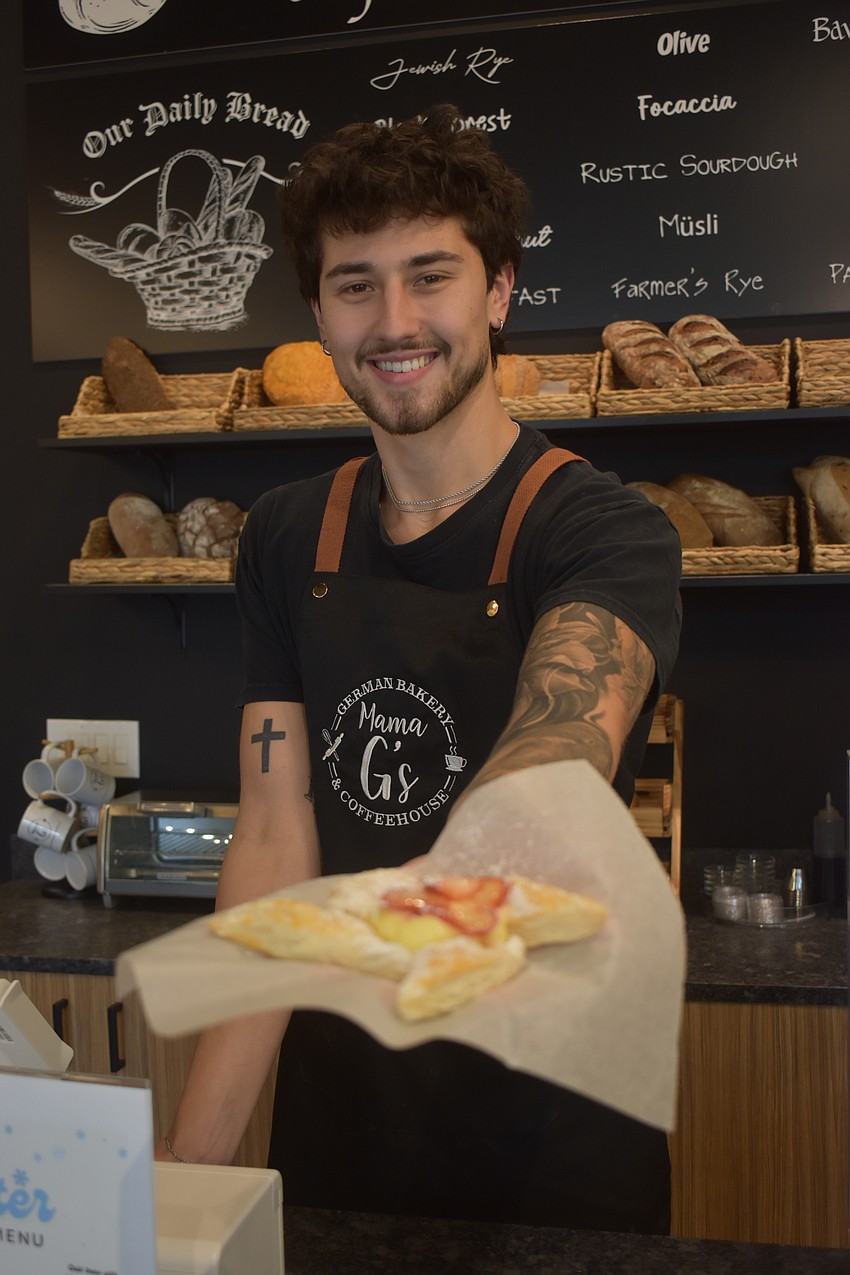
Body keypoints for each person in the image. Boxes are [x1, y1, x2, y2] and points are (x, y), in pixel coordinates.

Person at [155, 104, 682, 1233]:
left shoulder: (600, 531)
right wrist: (189, 1165)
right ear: (318, 310)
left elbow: (557, 752)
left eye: (429, 276)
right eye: (355, 284)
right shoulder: (290, 536)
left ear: (498, 290)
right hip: (341, 1124)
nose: (394, 321)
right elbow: (273, 835)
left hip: (553, 1136)